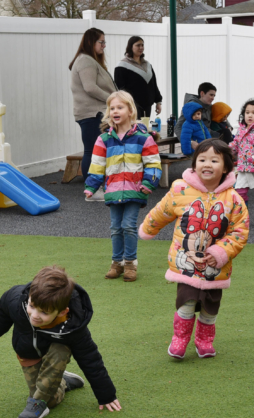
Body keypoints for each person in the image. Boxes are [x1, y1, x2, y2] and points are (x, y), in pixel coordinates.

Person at [139, 139, 249, 360]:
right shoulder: (181, 190)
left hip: (215, 267)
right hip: (186, 263)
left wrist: (220, 253)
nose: (207, 164)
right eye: (202, 159)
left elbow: (240, 232)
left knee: (210, 307)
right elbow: (162, 211)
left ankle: (204, 340)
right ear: (194, 163)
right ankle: (179, 339)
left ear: (226, 167)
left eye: (214, 160)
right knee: (186, 302)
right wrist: (148, 228)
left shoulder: (234, 199)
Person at [0, 266, 121, 418]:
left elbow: (90, 358)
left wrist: (106, 395)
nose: (34, 316)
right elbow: (4, 307)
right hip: (28, 353)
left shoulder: (73, 327)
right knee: (52, 400)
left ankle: (39, 401)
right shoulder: (18, 298)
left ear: (62, 312)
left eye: (44, 313)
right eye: (32, 306)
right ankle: (63, 381)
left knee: (47, 388)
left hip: (55, 352)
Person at [84, 91, 162, 282]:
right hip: (113, 190)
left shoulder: (143, 138)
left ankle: (130, 264)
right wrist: (92, 186)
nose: (115, 111)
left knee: (128, 226)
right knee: (115, 228)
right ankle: (116, 263)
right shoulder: (104, 139)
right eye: (112, 108)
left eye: (120, 107)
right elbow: (97, 165)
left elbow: (153, 163)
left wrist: (148, 183)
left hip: (135, 190)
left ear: (130, 110)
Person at [69, 28, 117, 200]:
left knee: (99, 151)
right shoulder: (85, 61)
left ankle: (99, 187)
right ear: (91, 42)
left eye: (104, 42)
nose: (104, 45)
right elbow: (90, 87)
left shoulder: (90, 60)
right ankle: (92, 191)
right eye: (101, 42)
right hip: (90, 114)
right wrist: (114, 99)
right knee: (93, 151)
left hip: (96, 113)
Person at [114, 36, 162, 119]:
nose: (141, 47)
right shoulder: (121, 66)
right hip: (131, 107)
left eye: (142, 45)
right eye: (138, 45)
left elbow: (153, 85)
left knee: (144, 130)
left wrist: (158, 101)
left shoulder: (148, 65)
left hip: (147, 107)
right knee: (133, 131)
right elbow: (120, 88)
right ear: (130, 46)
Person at [175, 83, 218, 148]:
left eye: (214, 96)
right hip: (196, 146)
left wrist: (229, 127)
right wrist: (190, 142)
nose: (213, 98)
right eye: (211, 95)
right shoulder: (191, 106)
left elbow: (221, 114)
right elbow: (178, 126)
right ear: (202, 94)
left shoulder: (209, 106)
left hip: (208, 143)